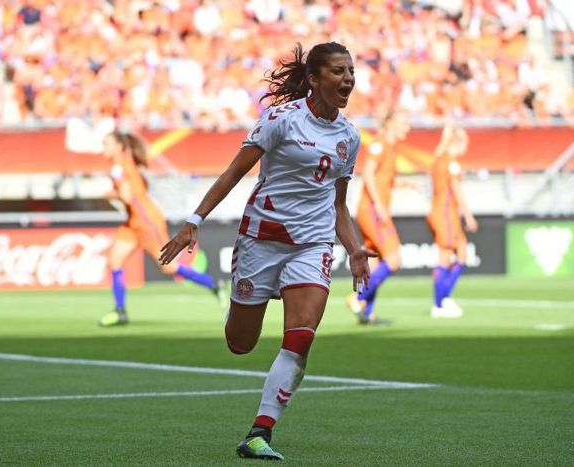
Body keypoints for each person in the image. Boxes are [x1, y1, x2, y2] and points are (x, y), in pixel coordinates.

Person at [159, 42, 374, 461]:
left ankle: (260, 431)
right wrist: (194, 222)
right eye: (337, 71)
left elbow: (339, 203)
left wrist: (356, 248)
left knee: (300, 338)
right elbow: (233, 172)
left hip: (312, 244)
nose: (348, 78)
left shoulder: (350, 136)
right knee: (241, 343)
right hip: (262, 240)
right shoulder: (280, 120)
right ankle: (239, 307)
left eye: (350, 70)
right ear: (313, 79)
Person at [98, 131, 226, 327]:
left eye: (106, 144)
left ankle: (214, 285)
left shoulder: (118, 167)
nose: (103, 148)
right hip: (133, 223)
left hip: (147, 222)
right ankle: (120, 311)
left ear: (119, 147)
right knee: (115, 261)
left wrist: (111, 193)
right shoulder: (124, 163)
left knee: (169, 267)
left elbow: (125, 196)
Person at [345, 110, 410, 324]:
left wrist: (405, 184)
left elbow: (383, 179)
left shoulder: (391, 148)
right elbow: (369, 173)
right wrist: (380, 204)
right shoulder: (379, 144)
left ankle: (366, 314)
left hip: (374, 208)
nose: (407, 127)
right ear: (389, 122)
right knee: (394, 259)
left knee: (376, 263)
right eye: (403, 122)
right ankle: (357, 298)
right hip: (372, 210)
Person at [427, 124, 477, 318]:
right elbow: (457, 191)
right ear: (458, 142)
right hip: (446, 213)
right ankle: (439, 304)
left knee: (462, 252)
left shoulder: (439, 158)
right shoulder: (450, 161)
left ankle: (445, 298)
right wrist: (469, 215)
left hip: (443, 212)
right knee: (446, 256)